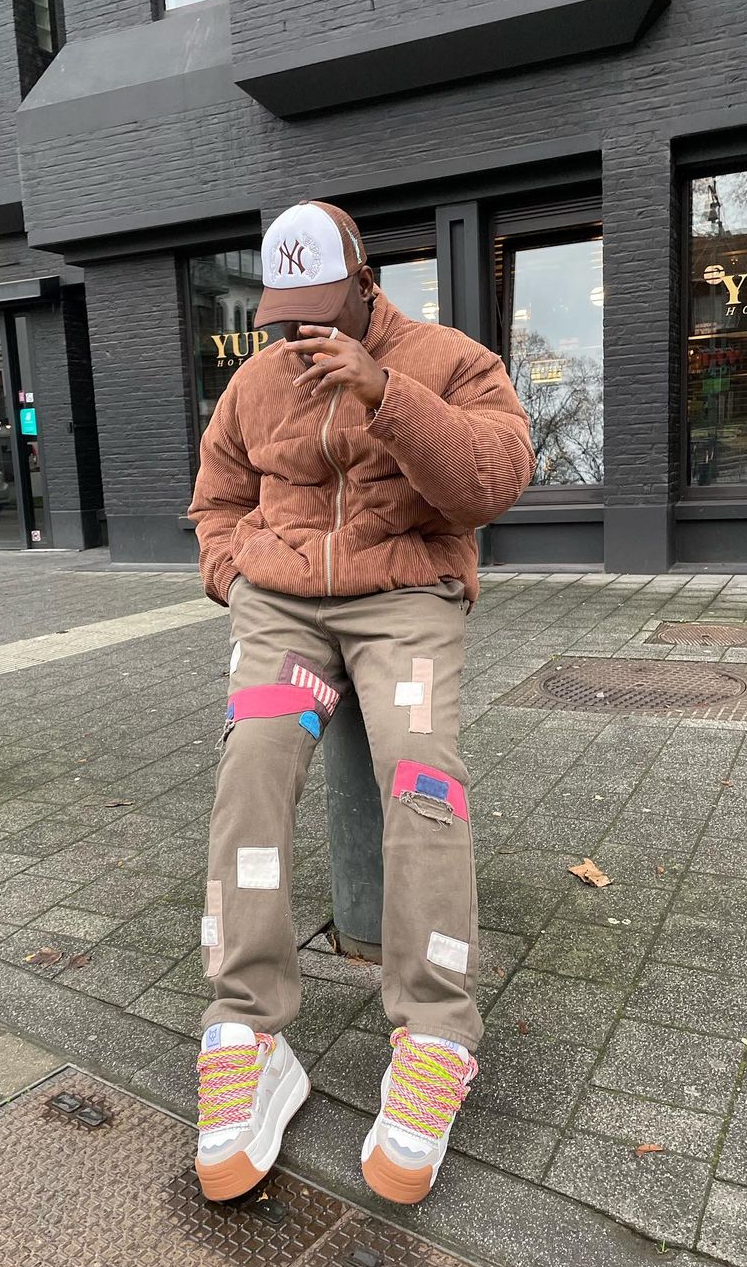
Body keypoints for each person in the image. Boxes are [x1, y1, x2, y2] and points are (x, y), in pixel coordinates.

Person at [188, 200, 534, 1206]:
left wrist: (388, 394)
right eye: (283, 311)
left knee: (422, 772)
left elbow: (492, 482)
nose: (299, 328)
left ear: (362, 283)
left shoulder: (450, 360)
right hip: (284, 606)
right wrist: (231, 575)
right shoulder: (254, 383)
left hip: (403, 597)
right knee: (252, 765)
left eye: (319, 304)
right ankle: (247, 1029)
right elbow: (217, 495)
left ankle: (435, 1033)